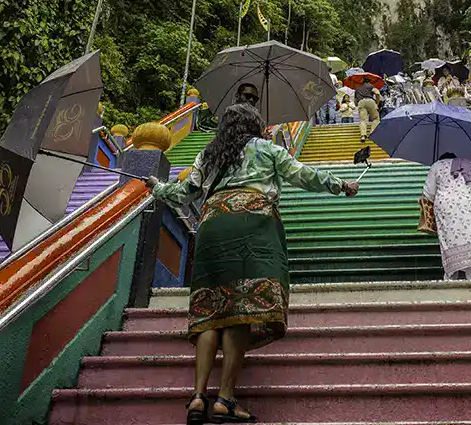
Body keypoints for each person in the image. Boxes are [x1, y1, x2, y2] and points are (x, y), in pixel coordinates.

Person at [148, 104, 359, 423]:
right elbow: (303, 175)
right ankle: (226, 399)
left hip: (213, 225)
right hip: (253, 227)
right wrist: (341, 185)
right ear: (255, 126)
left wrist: (157, 187)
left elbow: (185, 191)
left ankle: (197, 397)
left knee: (209, 309)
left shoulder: (209, 153)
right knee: (240, 310)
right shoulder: (267, 148)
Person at [422, 152, 471, 280]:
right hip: (468, 209)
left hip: (446, 209)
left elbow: (428, 194)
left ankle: (451, 279)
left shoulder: (436, 166)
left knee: (449, 241)